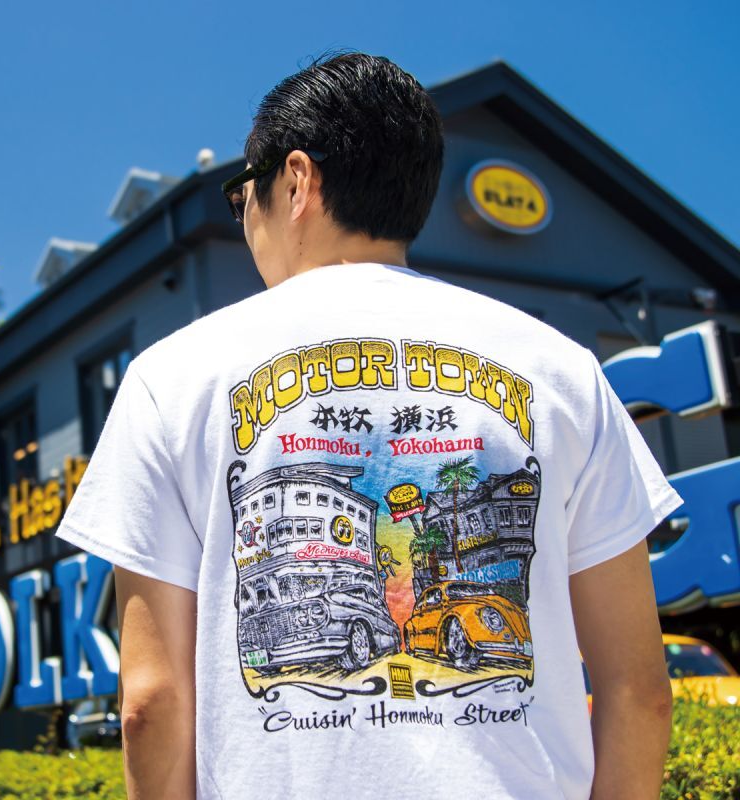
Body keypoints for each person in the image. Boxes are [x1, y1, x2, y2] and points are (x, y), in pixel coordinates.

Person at [54, 50, 682, 800]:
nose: (243, 216)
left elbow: (152, 704)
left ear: (295, 180)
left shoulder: (171, 377)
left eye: (241, 194)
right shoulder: (563, 370)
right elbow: (639, 690)